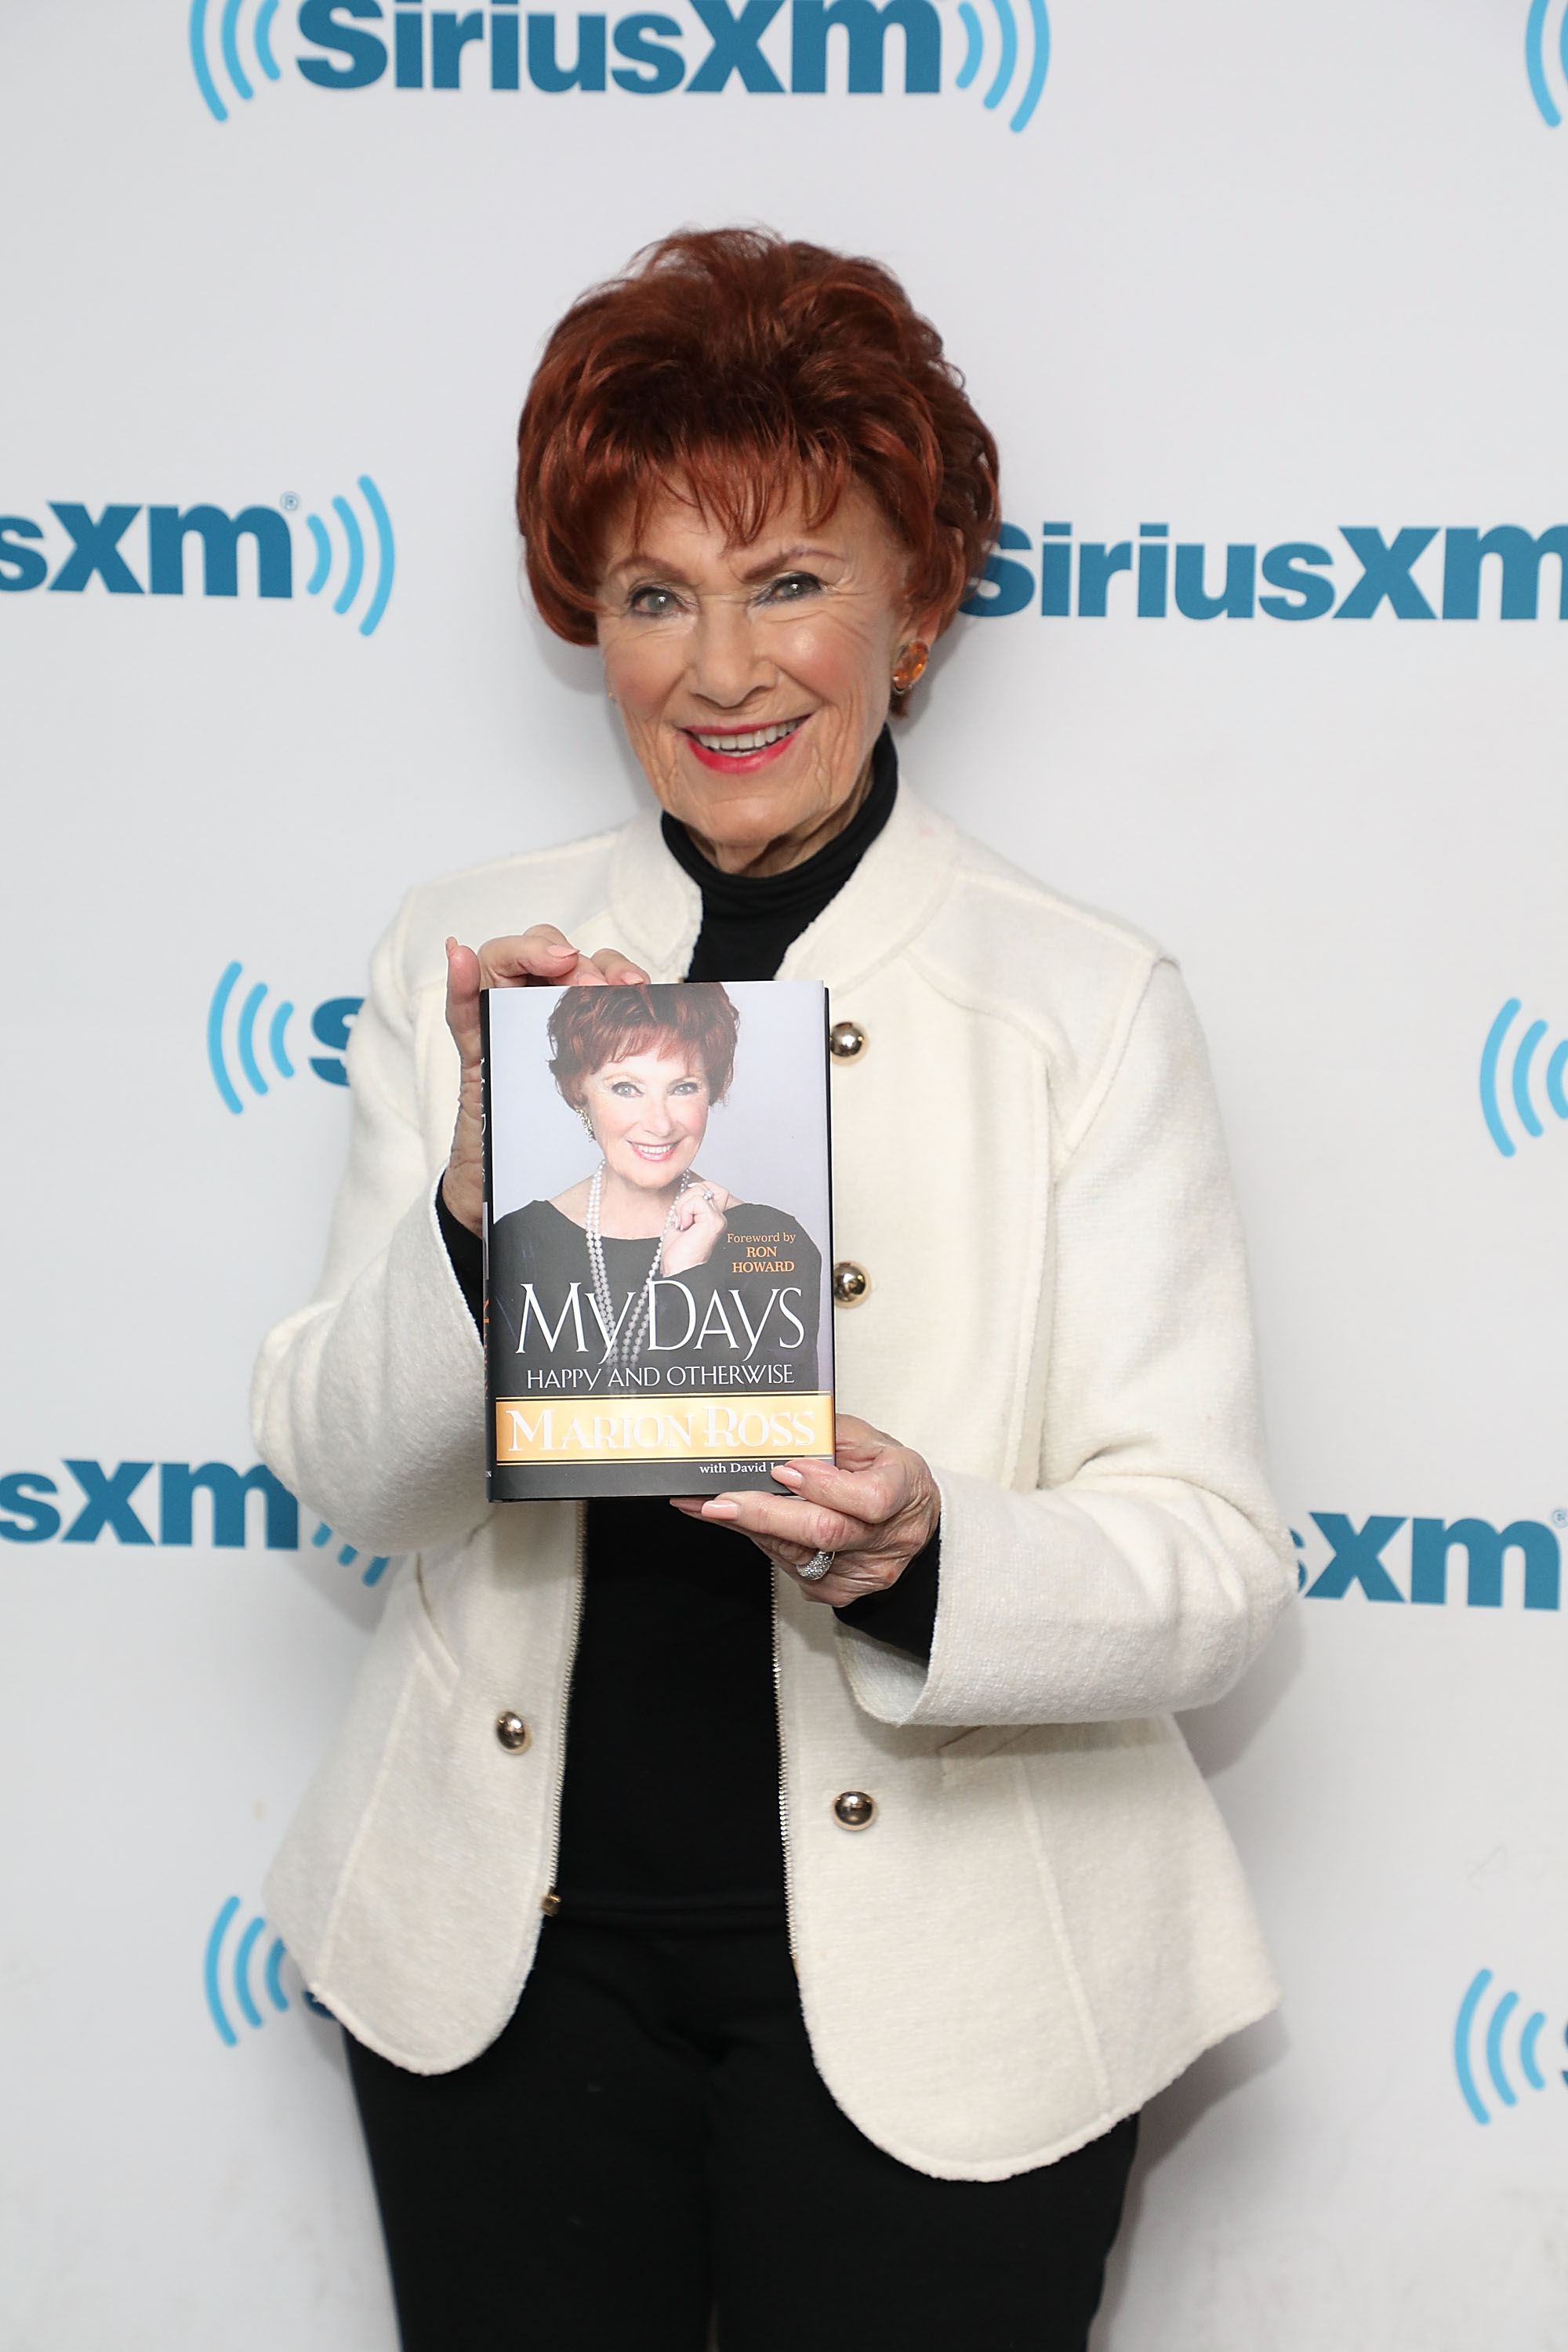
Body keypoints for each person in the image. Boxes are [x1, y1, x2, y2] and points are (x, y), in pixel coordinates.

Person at [252, 227, 1294, 2352]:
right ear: (592, 625)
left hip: (963, 1987)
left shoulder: (1081, 1003)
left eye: (791, 580)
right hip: (506, 1978)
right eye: (654, 594)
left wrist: (935, 1551)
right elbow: (356, 1482)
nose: (722, 670)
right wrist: (475, 1201)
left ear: (918, 608)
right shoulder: (464, 963)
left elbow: (1216, 1571)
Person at [488, 979, 823, 1400]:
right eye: (626, 1088)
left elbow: (766, 1445)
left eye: (684, 1088)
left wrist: (686, 1276)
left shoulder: (775, 1242)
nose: (660, 1124)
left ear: (711, 1090)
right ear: (578, 1091)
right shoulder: (519, 1243)